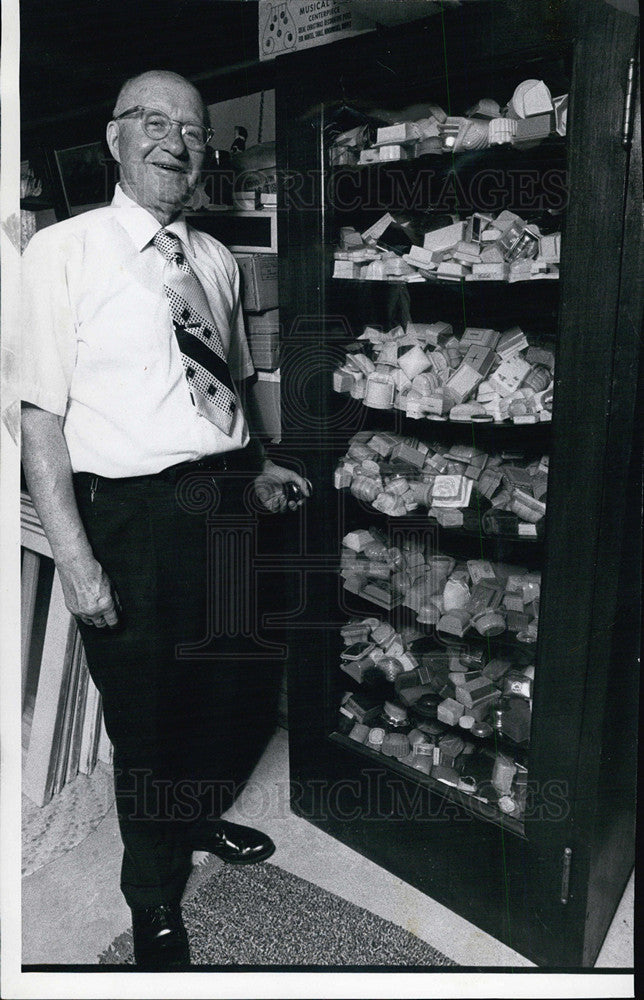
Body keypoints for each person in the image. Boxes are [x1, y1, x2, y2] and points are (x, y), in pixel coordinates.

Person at [21, 69, 310, 969]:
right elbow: (39, 417)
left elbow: (220, 386)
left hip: (221, 499)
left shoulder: (214, 260)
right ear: (115, 138)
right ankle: (151, 894)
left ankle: (192, 821)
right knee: (146, 714)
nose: (175, 141)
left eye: (191, 129)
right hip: (133, 518)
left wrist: (260, 466)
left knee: (221, 689)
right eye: (153, 122)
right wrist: (74, 556)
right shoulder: (59, 254)